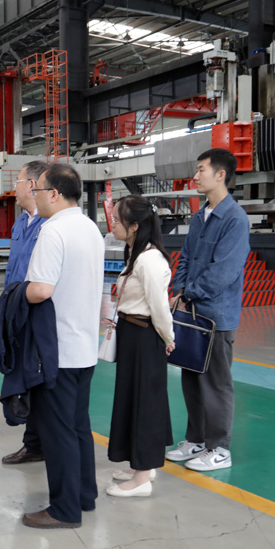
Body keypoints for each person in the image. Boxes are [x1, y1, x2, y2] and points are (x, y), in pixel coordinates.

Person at [22, 163, 104, 529]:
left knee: (57, 433)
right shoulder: (89, 228)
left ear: (54, 194)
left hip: (57, 350)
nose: (34, 195)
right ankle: (84, 496)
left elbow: (41, 289)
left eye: (38, 190)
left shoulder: (53, 230)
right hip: (84, 346)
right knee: (78, 426)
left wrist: (16, 294)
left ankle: (64, 509)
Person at [166, 148, 250, 471]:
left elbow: (223, 271)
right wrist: (179, 290)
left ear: (220, 175)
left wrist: (190, 293)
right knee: (191, 378)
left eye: (201, 169)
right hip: (192, 313)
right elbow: (186, 257)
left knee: (216, 383)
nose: (196, 176)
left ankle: (220, 449)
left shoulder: (234, 219)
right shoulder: (200, 217)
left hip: (216, 316)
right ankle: (197, 440)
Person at [104, 197, 176, 498]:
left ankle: (143, 477)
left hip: (145, 336)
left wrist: (169, 338)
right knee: (133, 400)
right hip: (133, 334)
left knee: (145, 403)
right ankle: (141, 466)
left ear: (134, 226)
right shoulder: (137, 254)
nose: (112, 224)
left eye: (117, 220)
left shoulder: (149, 260)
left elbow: (160, 306)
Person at [0, 160, 48, 466]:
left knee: (40, 378)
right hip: (16, 310)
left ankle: (40, 443)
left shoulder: (50, 224)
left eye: (16, 180)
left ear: (32, 185)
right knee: (24, 376)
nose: (12, 187)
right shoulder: (20, 222)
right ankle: (33, 443)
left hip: (39, 312)